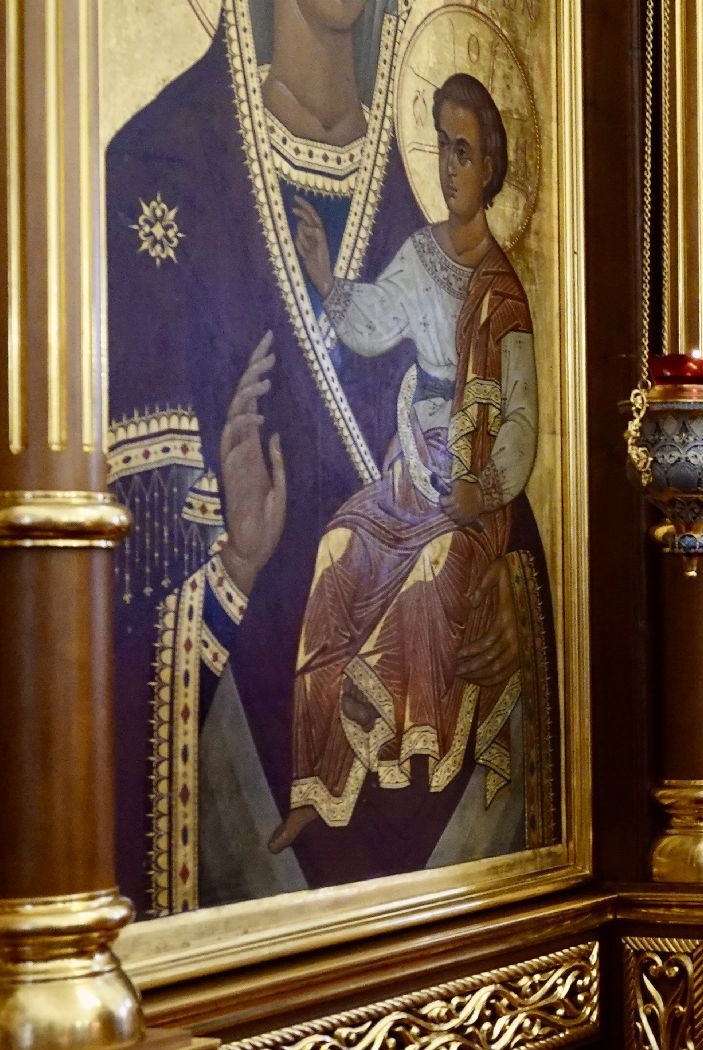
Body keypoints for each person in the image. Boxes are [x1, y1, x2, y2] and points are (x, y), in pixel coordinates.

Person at [104, 0, 553, 909]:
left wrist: (511, 589)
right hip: (242, 780)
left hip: (457, 840)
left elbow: (500, 455)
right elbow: (108, 594)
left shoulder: (429, 189)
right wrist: (233, 563)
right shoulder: (163, 168)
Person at [270, 72, 538, 852]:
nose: (450, 166)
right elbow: (374, 324)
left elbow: (519, 420)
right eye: (442, 148)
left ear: (489, 164)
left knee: (429, 579)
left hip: (470, 495)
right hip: (406, 477)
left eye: (464, 150)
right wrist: (326, 281)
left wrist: (479, 488)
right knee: (335, 555)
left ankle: (376, 764)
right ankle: (316, 782)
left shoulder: (504, 294)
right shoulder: (420, 253)